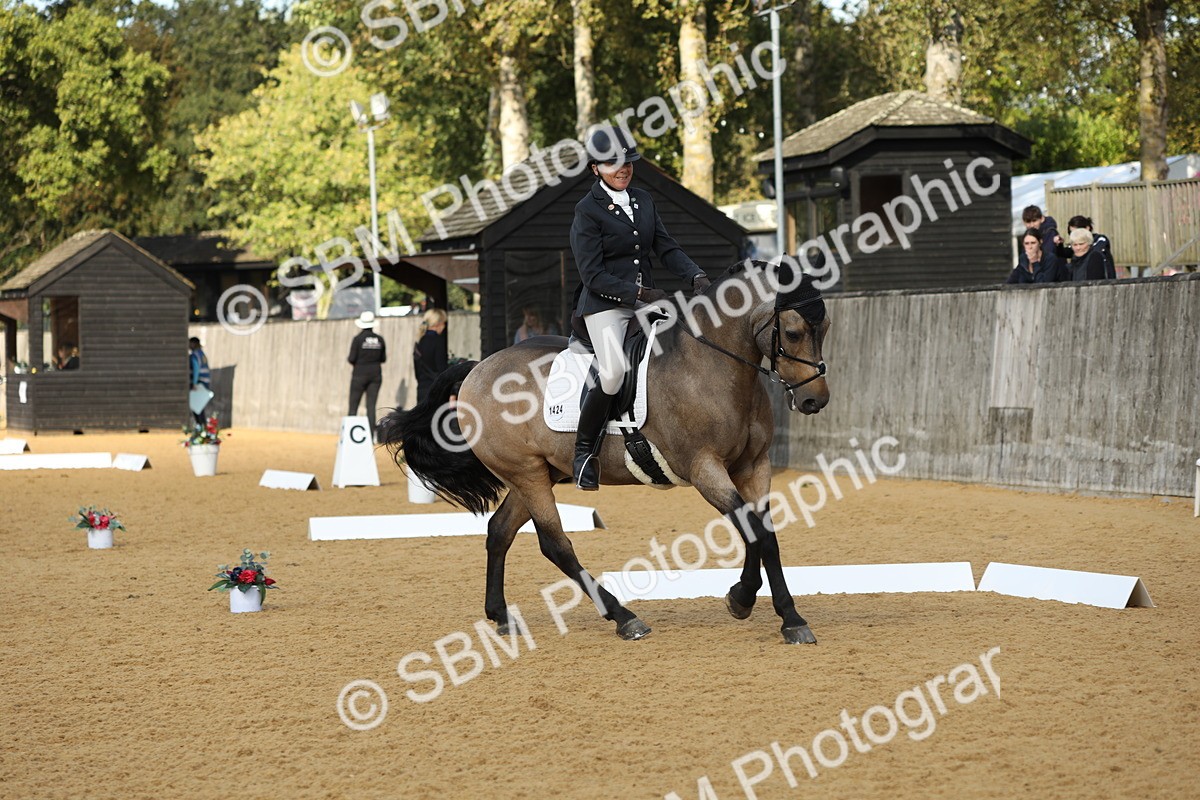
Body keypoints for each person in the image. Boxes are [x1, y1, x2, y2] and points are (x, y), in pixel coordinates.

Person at [568, 126, 711, 490]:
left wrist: (696, 276)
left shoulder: (643, 200)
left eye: (628, 162)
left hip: (647, 303)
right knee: (614, 371)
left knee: (687, 345)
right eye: (614, 164)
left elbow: (666, 247)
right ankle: (584, 453)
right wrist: (640, 295)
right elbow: (593, 275)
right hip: (605, 305)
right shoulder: (587, 211)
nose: (623, 169)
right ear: (596, 168)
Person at [348, 311, 387, 441]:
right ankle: (371, 437)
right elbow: (383, 358)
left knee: (353, 406)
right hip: (375, 375)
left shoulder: (358, 339)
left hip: (359, 375)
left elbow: (351, 358)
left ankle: (349, 436)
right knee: (371, 406)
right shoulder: (380, 339)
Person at [1060, 215, 1115, 280]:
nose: (1078, 248)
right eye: (1071, 233)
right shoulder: (1074, 260)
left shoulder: (1100, 241)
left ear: (1087, 228)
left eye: (1081, 244)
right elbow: (1063, 252)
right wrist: (1059, 245)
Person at [413, 308, 448, 404]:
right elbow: (442, 369)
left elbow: (417, 371)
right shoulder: (438, 341)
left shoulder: (419, 342)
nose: (444, 326)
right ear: (438, 324)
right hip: (436, 391)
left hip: (421, 389)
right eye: (444, 323)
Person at [1017, 205, 1062, 272]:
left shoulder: (1049, 232)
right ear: (1024, 222)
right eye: (1028, 222)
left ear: (1041, 219)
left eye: (1034, 221)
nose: (1032, 225)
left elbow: (1048, 254)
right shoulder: (1029, 234)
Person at [188, 336, 211, 425]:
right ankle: (203, 427)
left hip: (199, 383)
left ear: (194, 344)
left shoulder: (195, 355)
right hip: (205, 382)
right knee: (199, 406)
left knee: (196, 406)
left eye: (190, 343)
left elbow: (196, 369)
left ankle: (201, 426)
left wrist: (194, 383)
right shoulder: (202, 354)